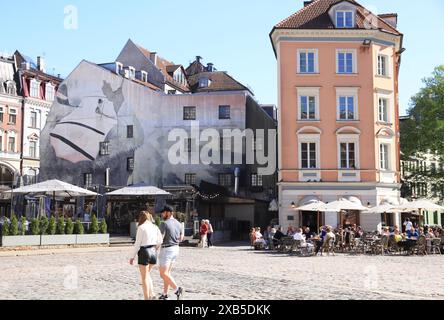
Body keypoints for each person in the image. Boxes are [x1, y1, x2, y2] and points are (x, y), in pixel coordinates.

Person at [129, 211, 163, 300]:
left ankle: (146, 298)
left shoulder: (141, 227)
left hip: (144, 251)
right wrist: (156, 248)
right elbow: (160, 240)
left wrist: (132, 256)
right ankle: (152, 294)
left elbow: (137, 244)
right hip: (153, 252)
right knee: (147, 274)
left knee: (144, 278)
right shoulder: (155, 227)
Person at [158, 205, 185, 300]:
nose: (162, 214)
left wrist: (155, 247)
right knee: (167, 273)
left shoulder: (164, 223)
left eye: (163, 212)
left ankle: (177, 289)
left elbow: (161, 238)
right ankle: (165, 294)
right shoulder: (179, 223)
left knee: (163, 274)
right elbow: (181, 238)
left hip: (167, 249)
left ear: (168, 213)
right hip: (176, 249)